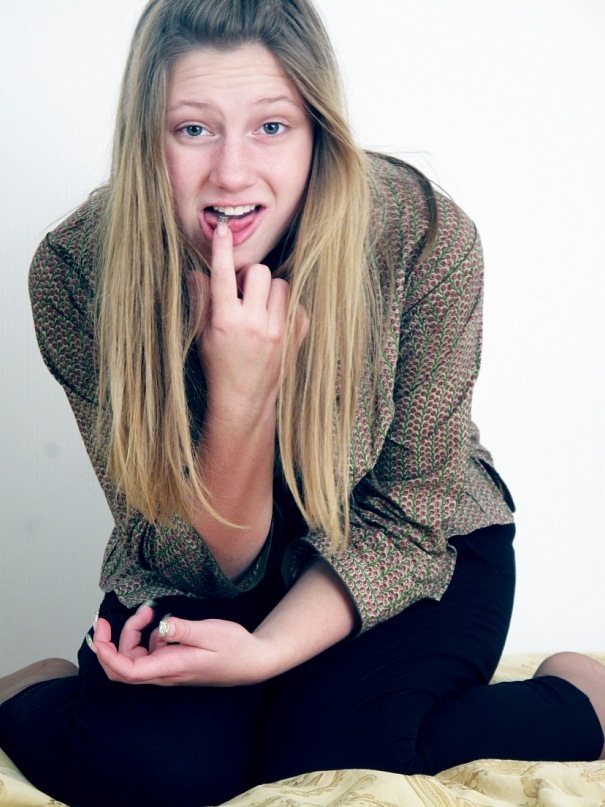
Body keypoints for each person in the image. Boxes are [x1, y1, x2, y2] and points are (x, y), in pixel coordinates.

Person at [1, 1, 604, 805]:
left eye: (271, 127)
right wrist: (239, 397)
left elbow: (410, 517)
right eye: (192, 129)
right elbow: (186, 559)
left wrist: (264, 654)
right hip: (204, 553)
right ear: (146, 138)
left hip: (410, 544)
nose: (232, 173)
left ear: (317, 130)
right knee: (147, 772)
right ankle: (30, 688)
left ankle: (580, 692)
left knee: (331, 756)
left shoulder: (423, 235)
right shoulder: (76, 270)